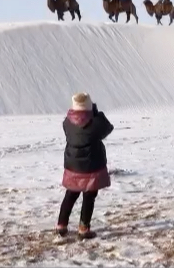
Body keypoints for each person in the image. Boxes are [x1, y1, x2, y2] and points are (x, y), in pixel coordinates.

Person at [56, 92, 114, 239]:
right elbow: (108, 128)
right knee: (89, 196)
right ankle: (83, 228)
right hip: (91, 166)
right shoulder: (95, 123)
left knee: (70, 194)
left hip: (73, 165)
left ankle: (61, 225)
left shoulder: (67, 123)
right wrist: (97, 114)